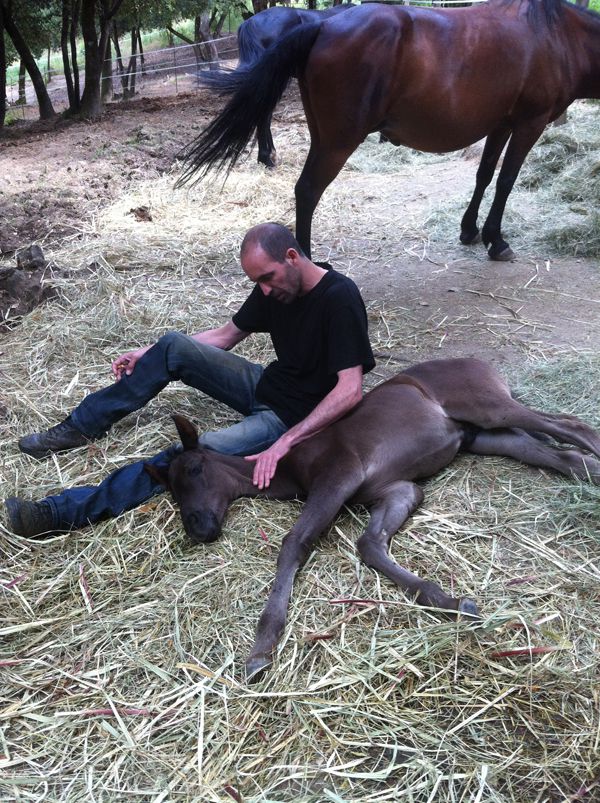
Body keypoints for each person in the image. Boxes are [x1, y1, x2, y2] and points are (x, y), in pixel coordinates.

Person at [6, 223, 375, 538]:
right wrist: (148, 352)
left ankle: (61, 512)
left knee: (189, 455)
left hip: (290, 418)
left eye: (267, 278)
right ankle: (77, 427)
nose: (264, 289)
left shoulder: (338, 297)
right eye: (256, 281)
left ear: (292, 257)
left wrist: (285, 443)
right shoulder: (274, 288)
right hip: (266, 384)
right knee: (173, 346)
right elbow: (225, 336)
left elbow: (350, 389)